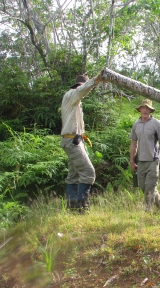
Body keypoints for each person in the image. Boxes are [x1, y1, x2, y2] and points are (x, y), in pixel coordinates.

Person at [61, 73, 104, 212]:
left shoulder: (74, 100)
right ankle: (82, 207)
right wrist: (96, 80)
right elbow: (82, 90)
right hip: (72, 141)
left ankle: (72, 206)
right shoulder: (72, 94)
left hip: (74, 140)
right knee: (88, 172)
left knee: (73, 176)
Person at [129, 99, 160, 211]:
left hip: (153, 160)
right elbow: (134, 144)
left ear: (151, 110)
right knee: (145, 188)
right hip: (140, 161)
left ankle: (148, 212)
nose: (145, 110)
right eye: (143, 108)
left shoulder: (156, 123)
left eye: (148, 108)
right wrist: (132, 161)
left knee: (150, 188)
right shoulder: (136, 124)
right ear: (140, 109)